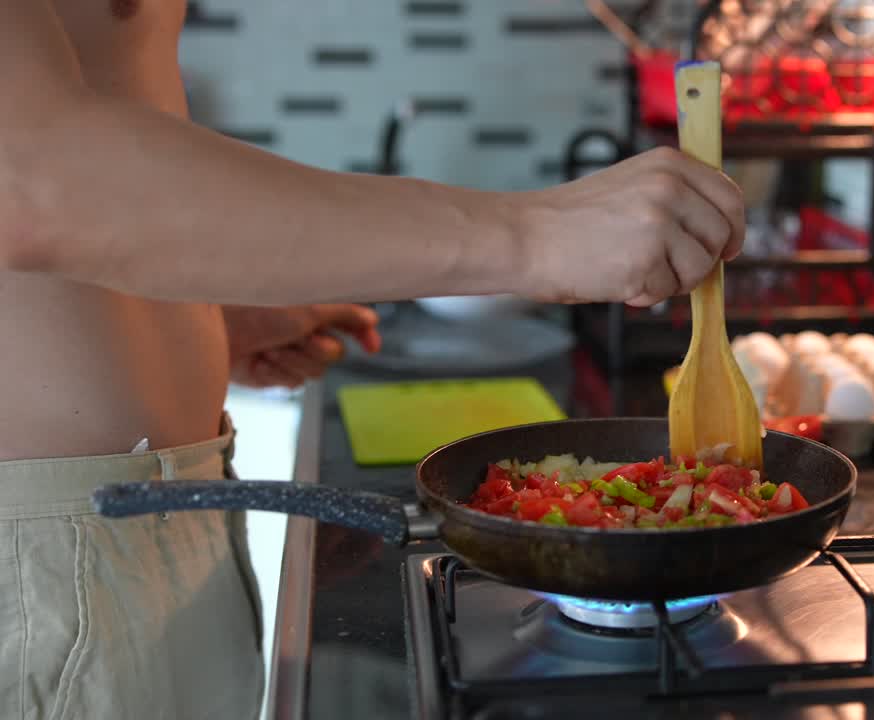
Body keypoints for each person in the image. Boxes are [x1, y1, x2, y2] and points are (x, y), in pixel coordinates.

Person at [0, 1, 746, 718]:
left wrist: (189, 317)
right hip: (42, 565)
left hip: (144, 522)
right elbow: (28, 178)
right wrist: (533, 235)